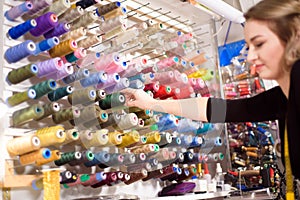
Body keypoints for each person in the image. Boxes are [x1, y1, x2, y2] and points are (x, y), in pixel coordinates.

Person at [122, 0, 300, 182]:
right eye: (249, 47)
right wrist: (152, 104)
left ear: (293, 37)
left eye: (259, 44)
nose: (251, 57)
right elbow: (218, 110)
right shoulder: (282, 98)